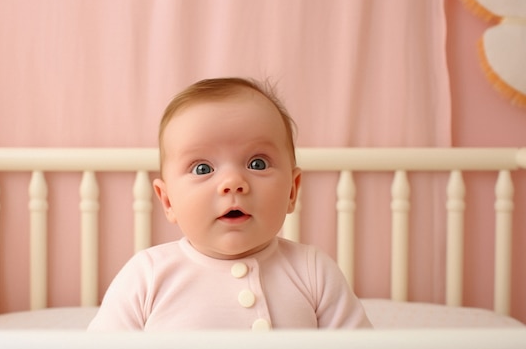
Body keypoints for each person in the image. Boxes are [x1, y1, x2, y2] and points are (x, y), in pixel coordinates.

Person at [87, 77, 372, 331]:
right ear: (168, 200)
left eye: (257, 163)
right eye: (202, 169)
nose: (233, 182)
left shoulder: (313, 271)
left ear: (291, 191)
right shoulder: (148, 275)